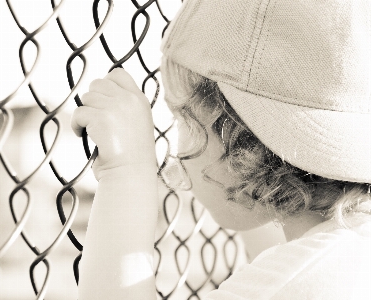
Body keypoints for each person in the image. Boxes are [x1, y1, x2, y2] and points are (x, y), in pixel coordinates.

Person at [71, 0, 371, 299]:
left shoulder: (303, 278)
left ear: (243, 145)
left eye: (182, 120)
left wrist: (126, 172)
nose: (174, 150)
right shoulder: (345, 253)